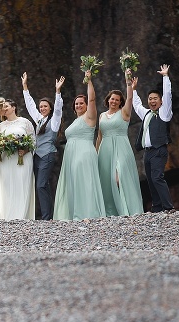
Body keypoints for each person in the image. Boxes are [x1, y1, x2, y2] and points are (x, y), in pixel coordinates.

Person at [54, 70, 105, 220]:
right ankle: (75, 213)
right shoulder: (75, 121)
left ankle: (87, 213)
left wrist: (89, 81)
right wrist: (57, 91)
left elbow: (92, 100)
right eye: (76, 104)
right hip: (71, 155)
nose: (78, 105)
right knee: (74, 182)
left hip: (84, 152)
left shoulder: (90, 117)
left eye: (81, 103)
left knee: (84, 180)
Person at [96, 69, 143, 216]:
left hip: (121, 147)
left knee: (120, 176)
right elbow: (99, 136)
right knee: (106, 179)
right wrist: (95, 153)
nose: (114, 101)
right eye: (112, 99)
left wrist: (128, 81)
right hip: (105, 149)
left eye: (117, 99)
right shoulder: (102, 115)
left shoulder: (124, 113)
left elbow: (129, 99)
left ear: (120, 102)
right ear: (108, 100)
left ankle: (128, 209)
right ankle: (111, 211)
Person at [21, 73, 65, 219]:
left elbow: (58, 109)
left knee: (41, 185)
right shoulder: (39, 120)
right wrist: (25, 87)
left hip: (47, 155)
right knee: (42, 185)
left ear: (50, 108)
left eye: (45, 106)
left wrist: (58, 92)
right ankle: (48, 215)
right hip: (37, 156)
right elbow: (30, 105)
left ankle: (47, 217)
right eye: (41, 107)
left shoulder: (54, 121)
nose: (42, 108)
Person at [132, 64, 173, 212]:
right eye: (150, 99)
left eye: (155, 98)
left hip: (159, 150)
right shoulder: (147, 114)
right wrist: (133, 89)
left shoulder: (164, 113)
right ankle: (157, 207)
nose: (152, 101)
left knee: (157, 177)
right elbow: (136, 105)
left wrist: (165, 77)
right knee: (150, 179)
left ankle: (168, 206)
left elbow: (168, 95)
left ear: (160, 101)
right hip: (147, 152)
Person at [0, 99, 35, 219]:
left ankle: (21, 215)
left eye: (6, 106)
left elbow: (33, 140)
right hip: (7, 159)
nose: (4, 109)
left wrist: (25, 150)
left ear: (14, 107)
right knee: (8, 185)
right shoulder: (1, 125)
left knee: (22, 184)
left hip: (23, 158)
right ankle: (8, 215)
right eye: (3, 107)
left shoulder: (25, 122)